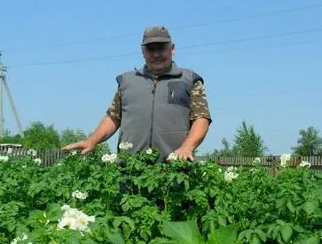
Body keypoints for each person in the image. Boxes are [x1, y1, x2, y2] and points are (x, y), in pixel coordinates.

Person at [63, 26, 212, 162]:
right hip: (130, 169)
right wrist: (92, 140)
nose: (156, 54)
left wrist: (187, 147)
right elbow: (113, 117)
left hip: (173, 169)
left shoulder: (189, 80)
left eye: (161, 48)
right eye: (150, 49)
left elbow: (201, 118)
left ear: (172, 49)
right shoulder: (127, 81)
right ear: (143, 52)